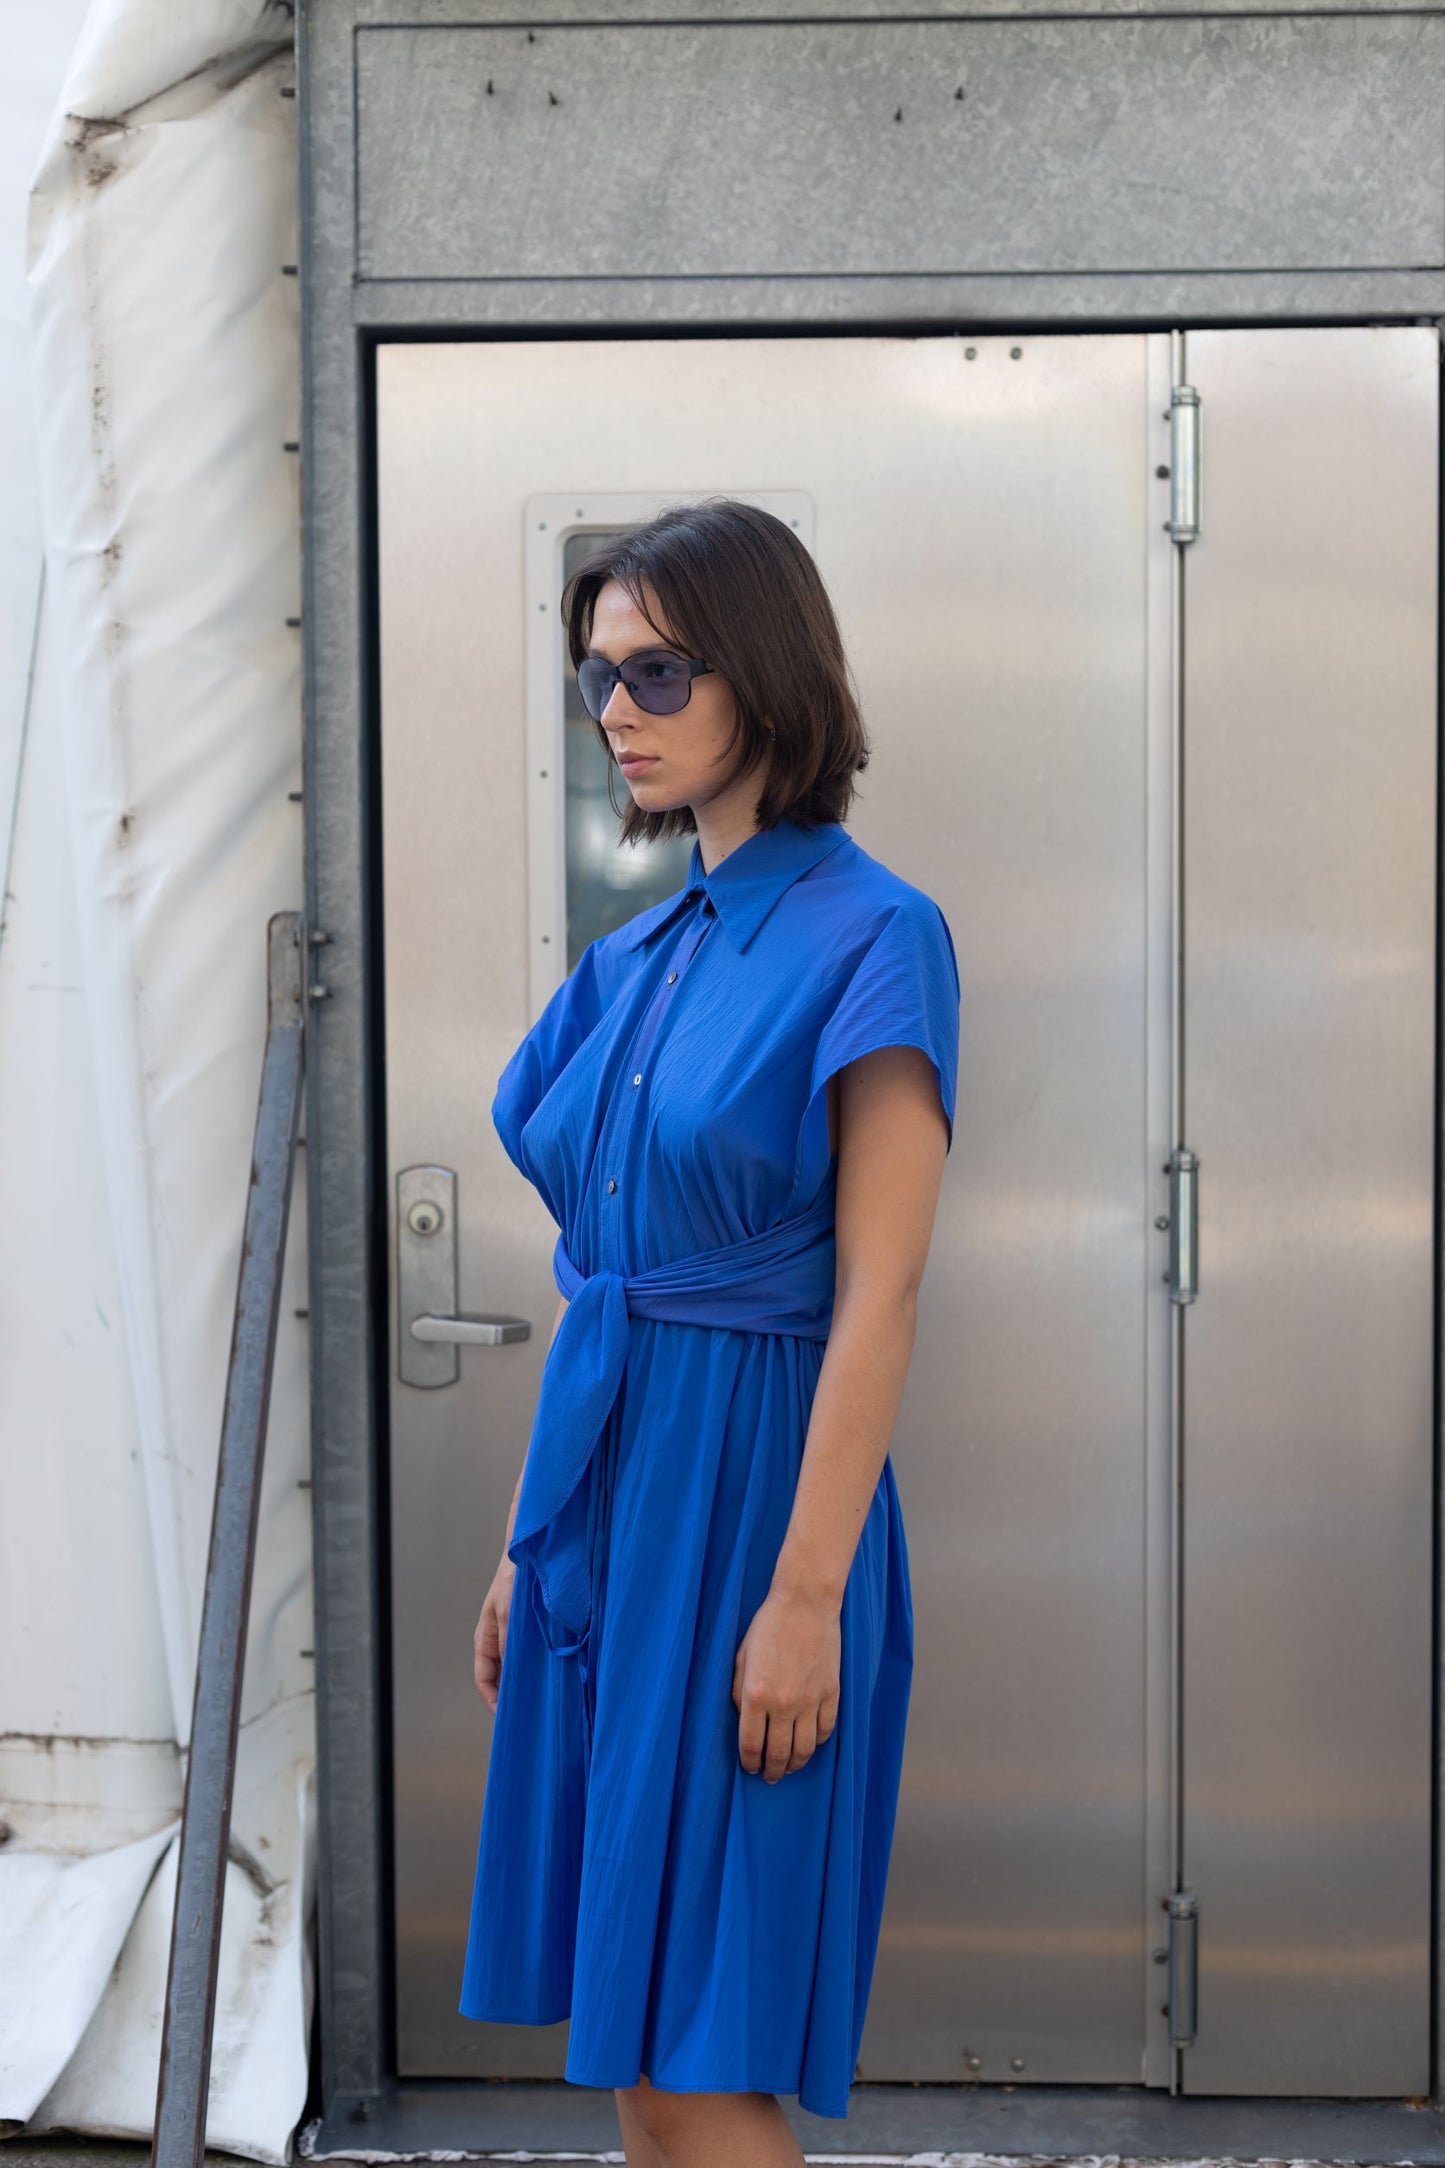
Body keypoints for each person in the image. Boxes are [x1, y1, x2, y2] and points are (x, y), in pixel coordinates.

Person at [459, 498, 961, 2167]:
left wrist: (807, 1596)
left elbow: (879, 1291)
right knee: (632, 2041)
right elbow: (607, 1279)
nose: (617, 710)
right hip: (614, 1515)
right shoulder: (635, 958)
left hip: (758, 1518)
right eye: (597, 674)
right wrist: (536, 1548)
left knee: (701, 2054)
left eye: (659, 672)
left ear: (763, 673)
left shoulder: (872, 933)